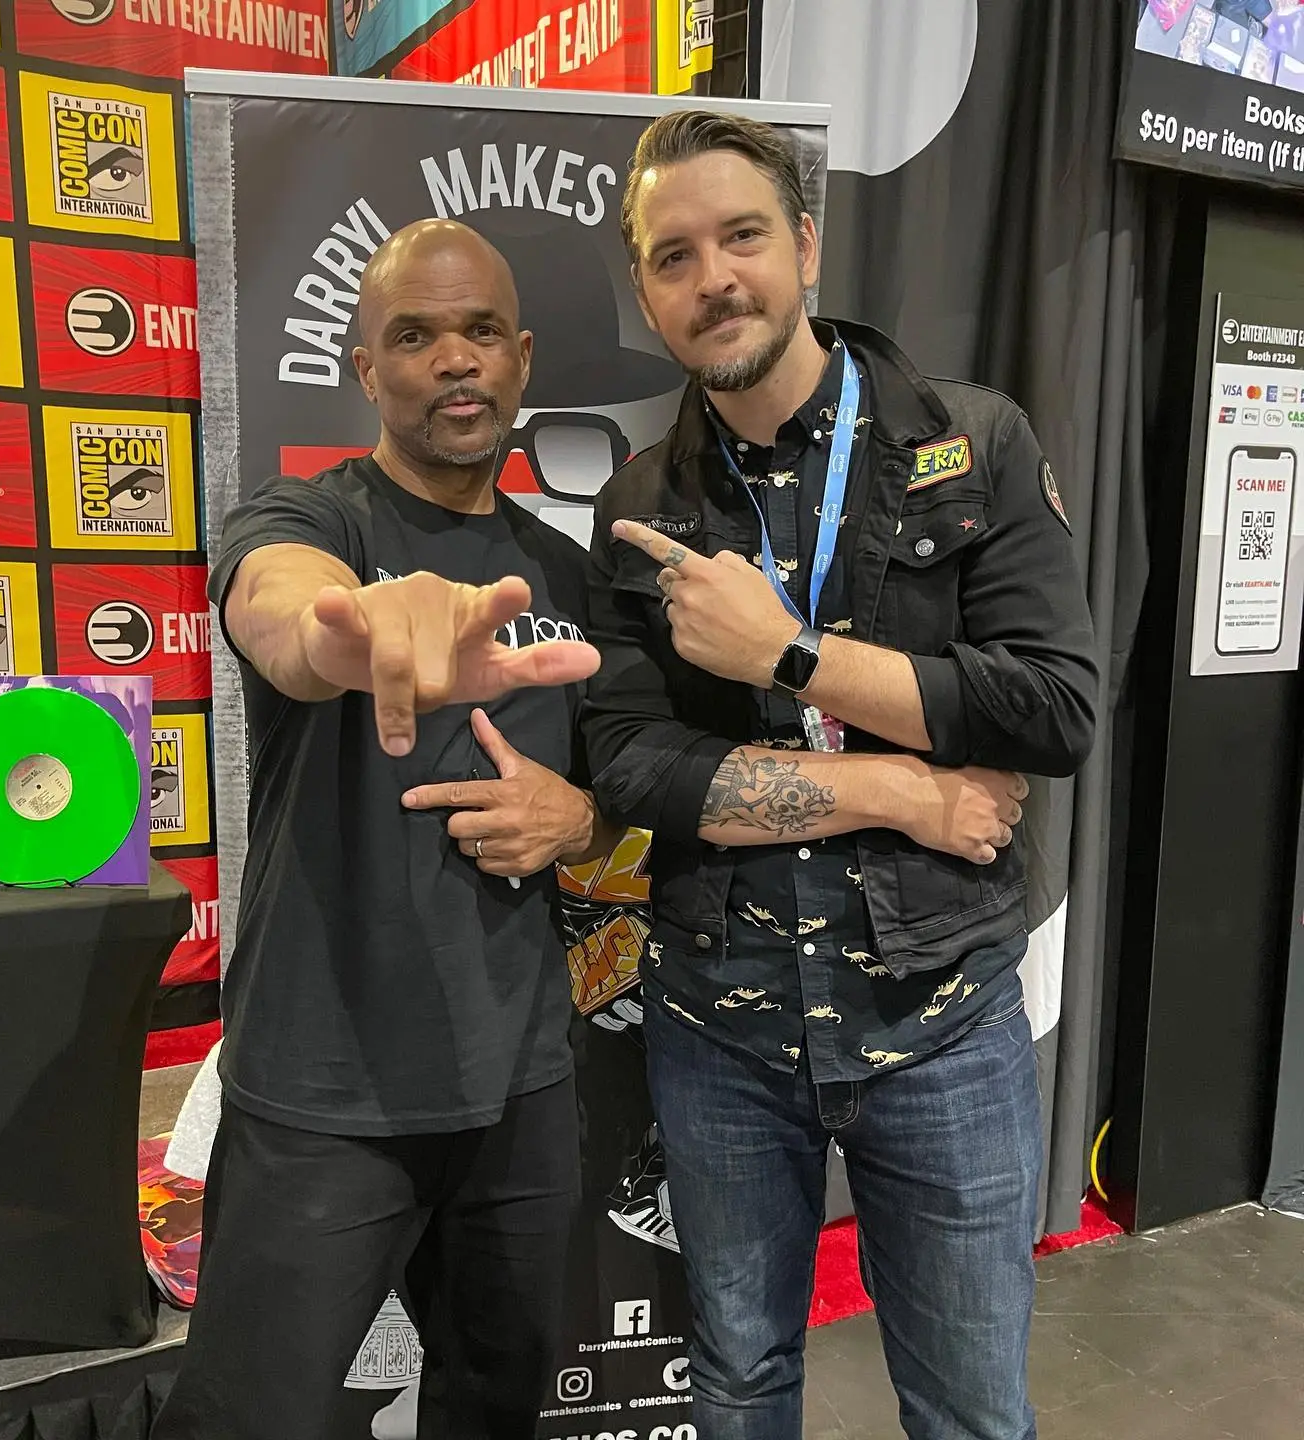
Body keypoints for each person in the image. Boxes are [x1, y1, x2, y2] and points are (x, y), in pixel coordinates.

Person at [580, 110, 1098, 1440]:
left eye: (742, 235)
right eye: (674, 255)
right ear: (646, 291)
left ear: (804, 243)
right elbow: (634, 766)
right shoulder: (643, 501)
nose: (716, 278)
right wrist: (902, 791)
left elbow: (1053, 708)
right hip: (719, 1034)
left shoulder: (967, 444)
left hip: (943, 1026)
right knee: (740, 1382)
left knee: (971, 1408)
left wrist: (793, 655)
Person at [151, 219, 615, 1440]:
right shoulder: (304, 522)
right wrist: (347, 632)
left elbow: (621, 785)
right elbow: (282, 617)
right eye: (412, 336)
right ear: (367, 370)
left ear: (520, 358)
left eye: (477, 334)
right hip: (322, 1095)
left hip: (517, 1087)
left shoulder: (559, 573)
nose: (451, 361)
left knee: (492, 1413)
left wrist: (575, 818)